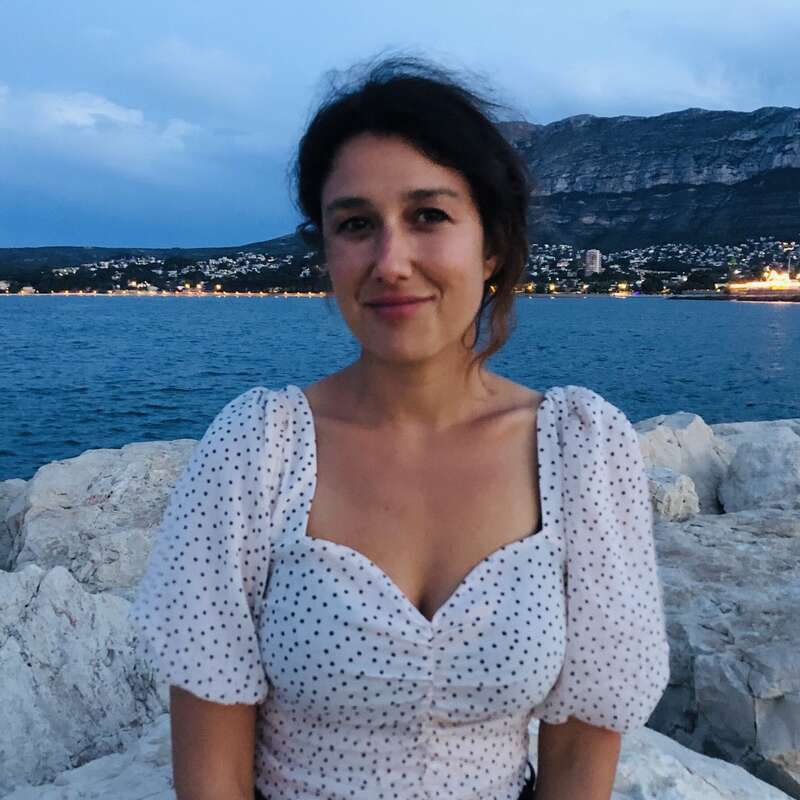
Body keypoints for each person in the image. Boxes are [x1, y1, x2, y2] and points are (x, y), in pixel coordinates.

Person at [129, 52, 671, 800]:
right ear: (326, 252)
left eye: (428, 216)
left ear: (493, 246)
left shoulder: (579, 448)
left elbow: (581, 747)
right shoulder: (261, 448)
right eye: (356, 224)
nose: (390, 261)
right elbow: (212, 752)